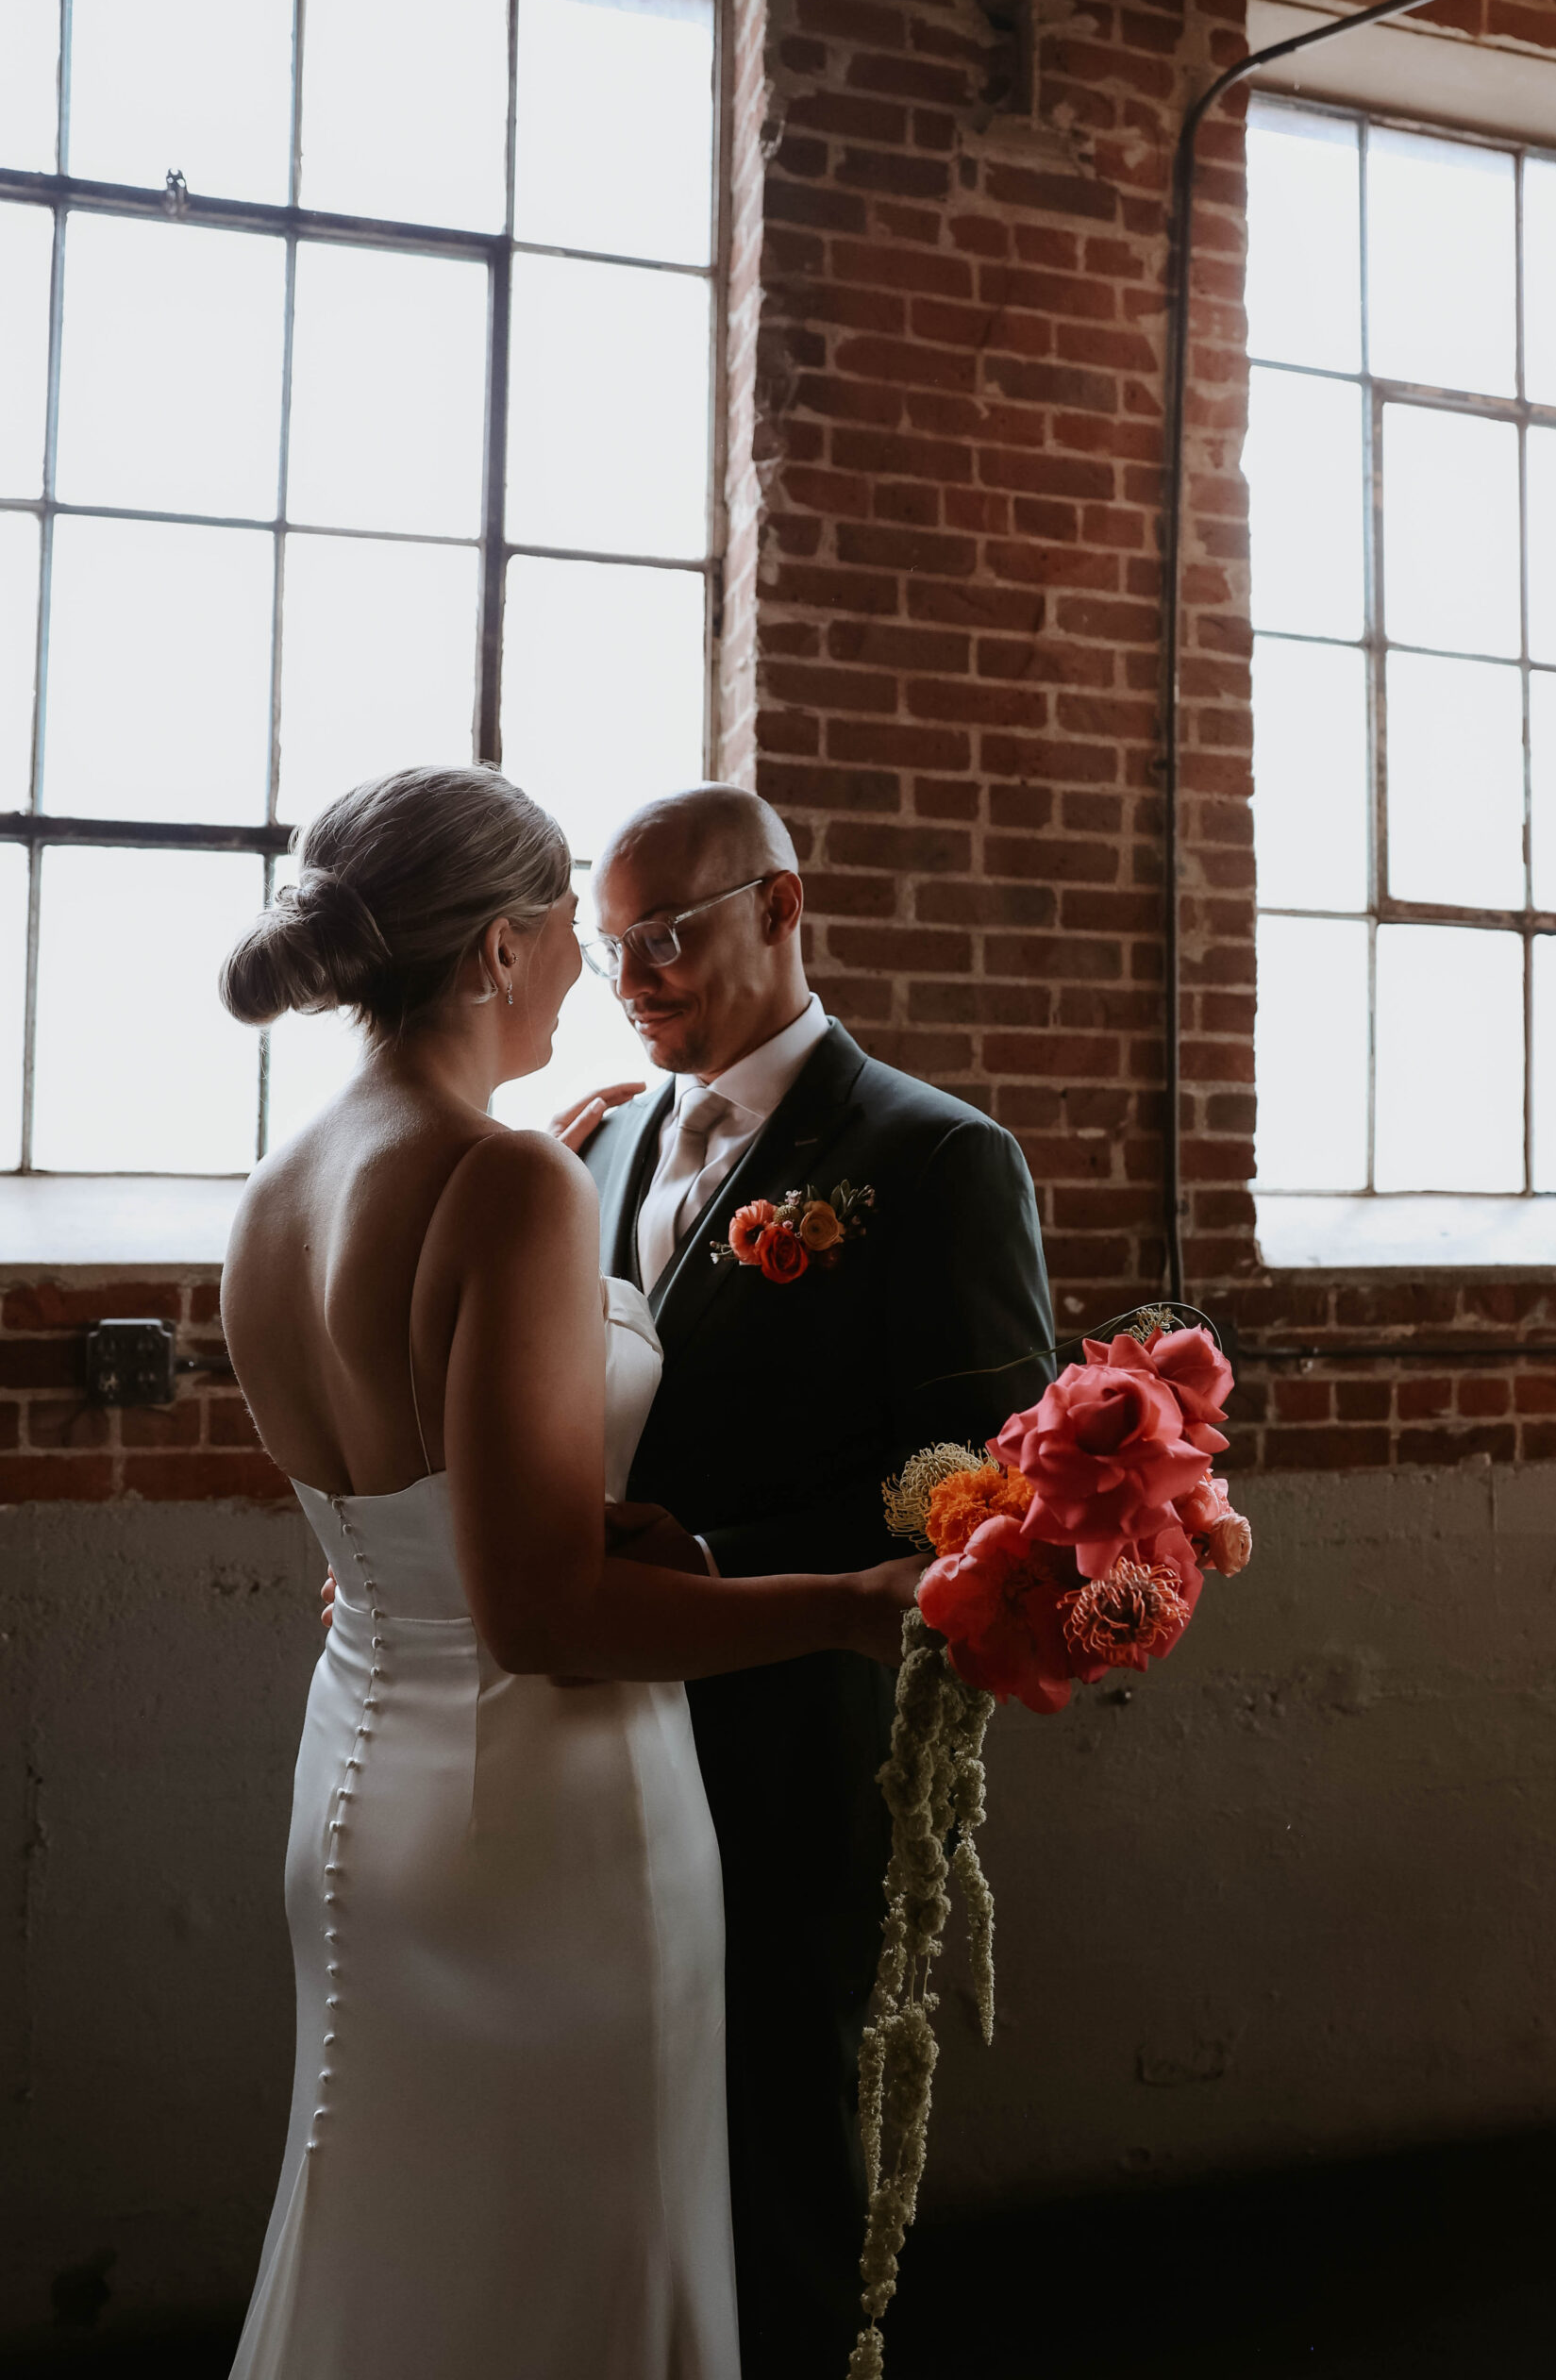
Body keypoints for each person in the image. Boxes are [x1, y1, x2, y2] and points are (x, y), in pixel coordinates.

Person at [217, 764, 920, 2380]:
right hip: (554, 1815)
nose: (600, 981)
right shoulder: (515, 1183)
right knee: (580, 2272)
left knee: (401, 2242)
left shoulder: (277, 1190)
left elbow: (406, 1531)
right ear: (497, 953)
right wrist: (849, 1605)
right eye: (574, 939)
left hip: (361, 1789)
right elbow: (543, 1617)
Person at [562, 786, 1056, 2380]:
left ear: (782, 906)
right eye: (608, 949)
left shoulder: (933, 1158)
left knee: (777, 2114)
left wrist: (716, 1557)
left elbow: (975, 1482)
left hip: (792, 1728)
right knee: (624, 2110)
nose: (634, 980)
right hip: (593, 1708)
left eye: (668, 938)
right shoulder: (605, 1140)